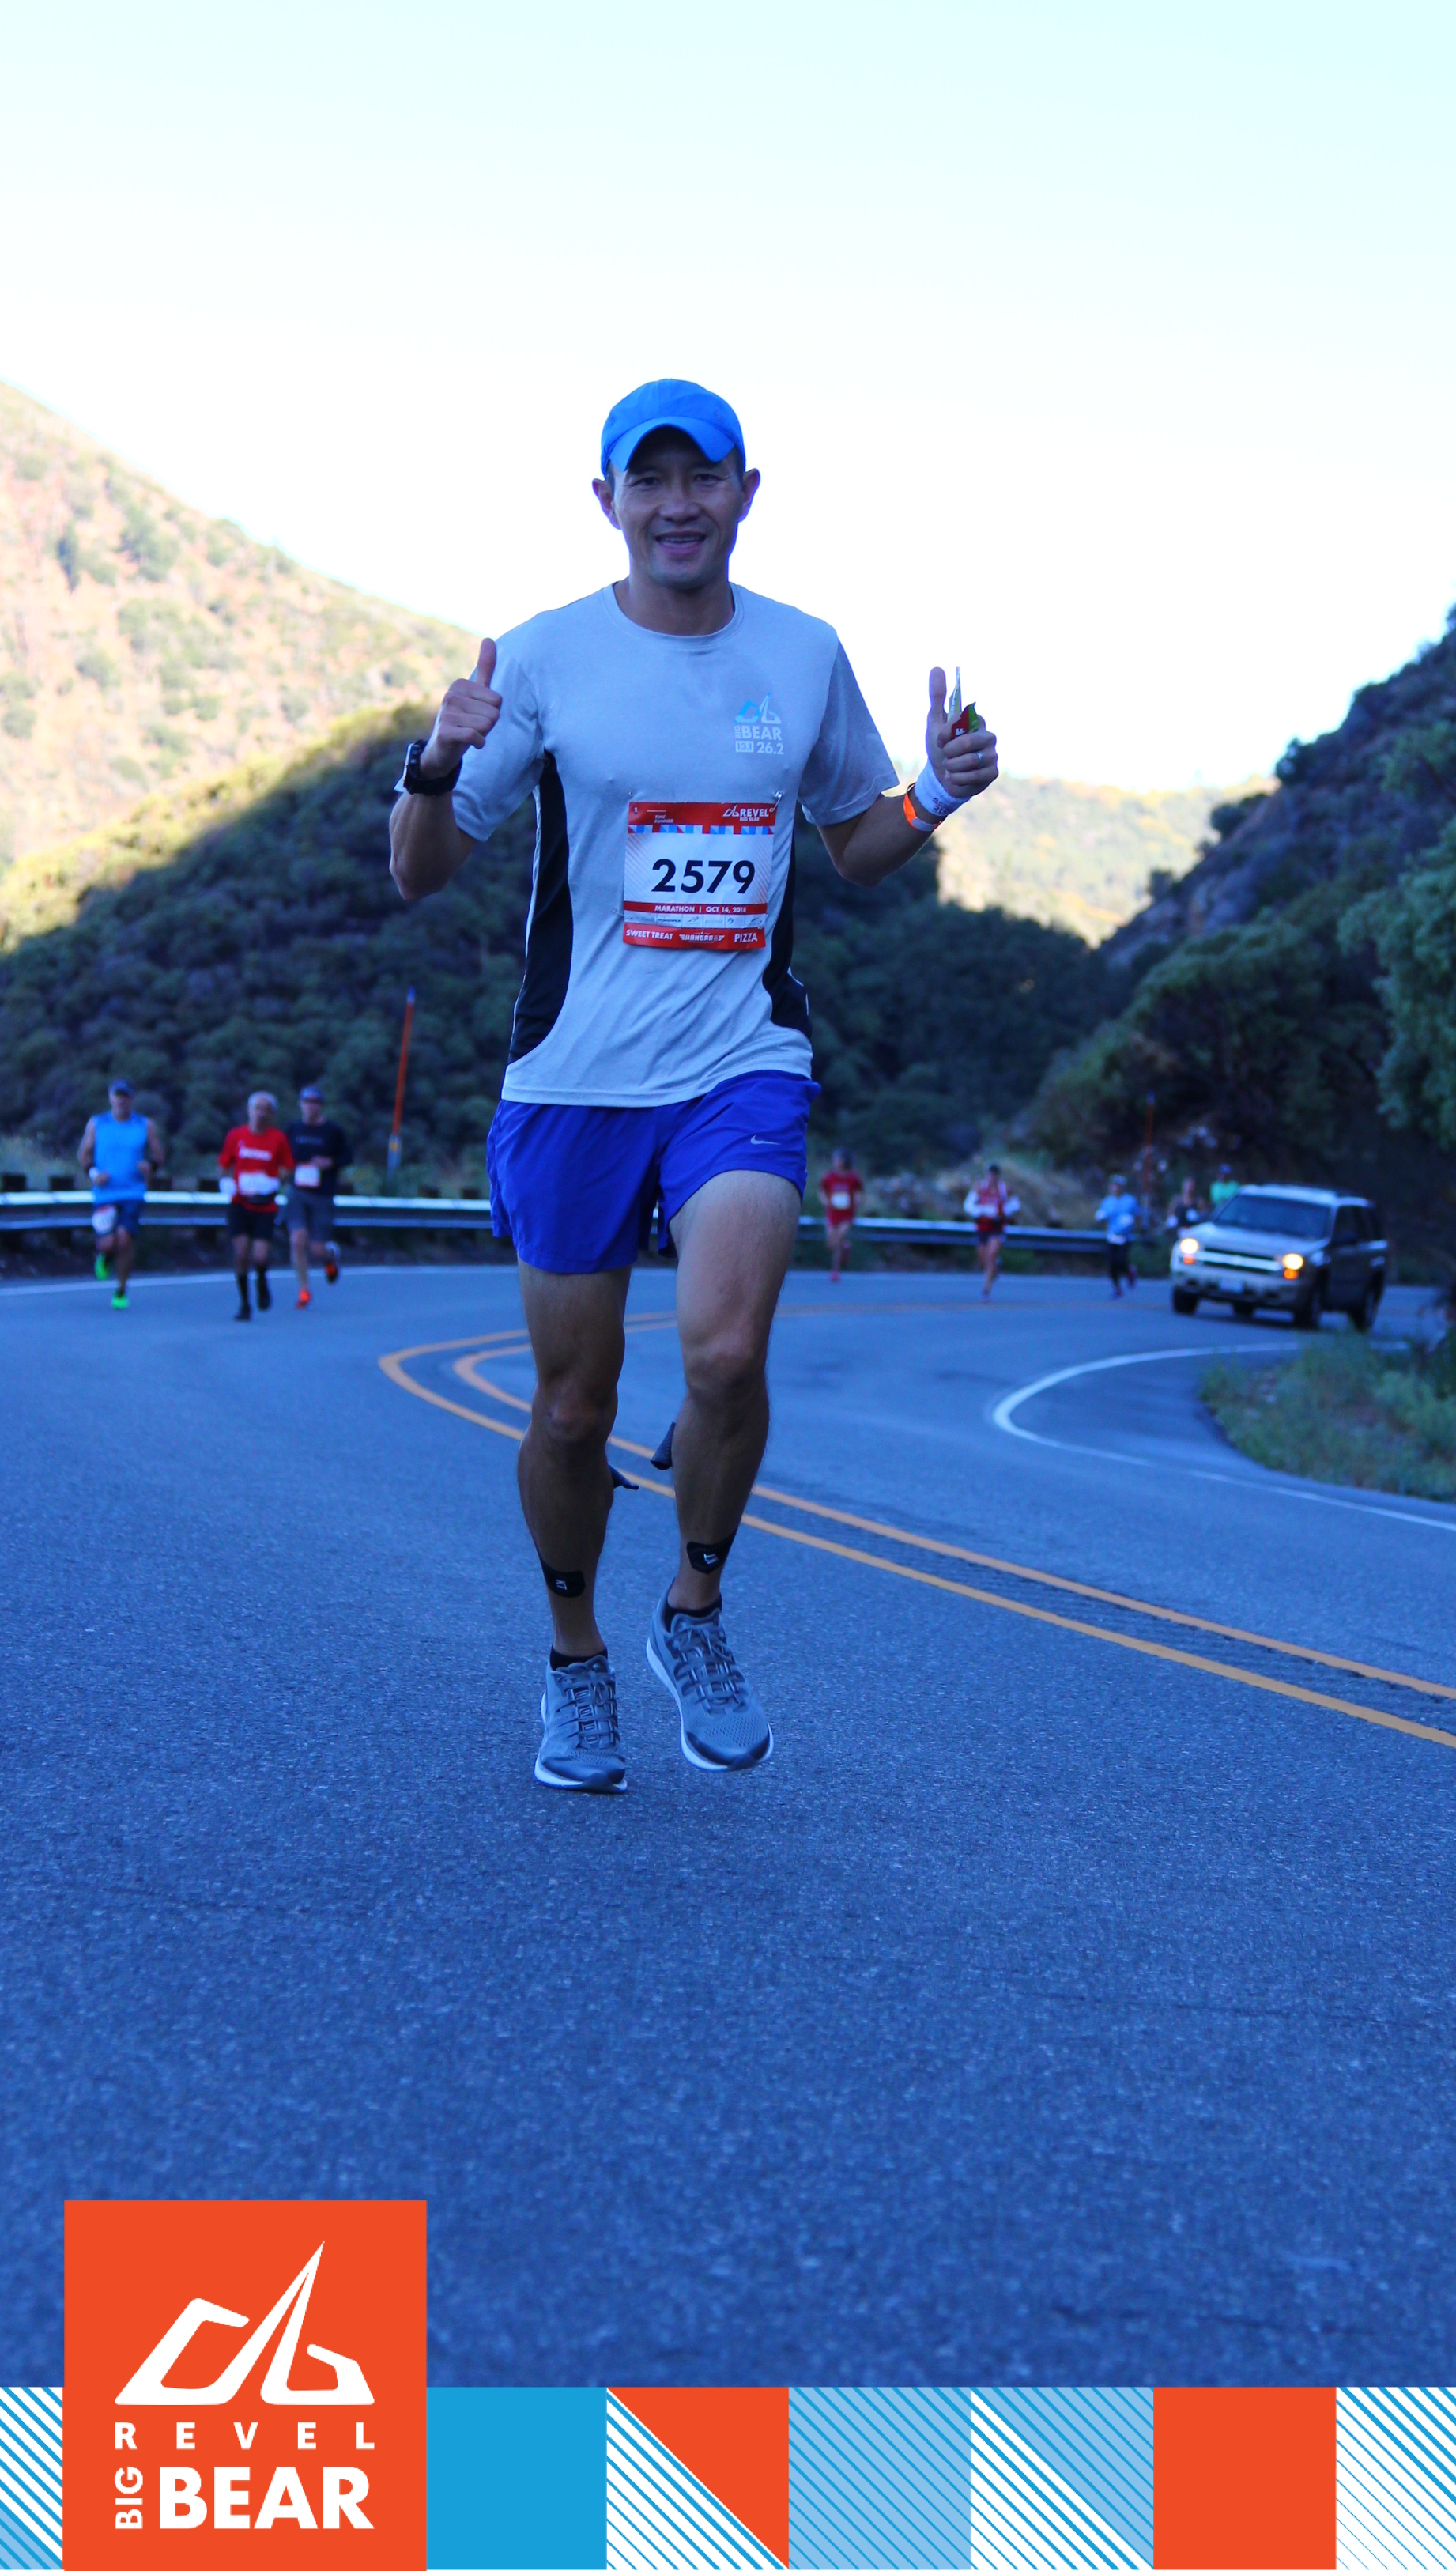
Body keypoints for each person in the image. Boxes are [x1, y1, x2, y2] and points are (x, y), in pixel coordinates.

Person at [389, 377, 998, 1793]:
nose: (677, 505)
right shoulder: (544, 657)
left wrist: (933, 793)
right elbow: (418, 872)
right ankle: (574, 1656)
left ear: (744, 492)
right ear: (606, 500)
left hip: (740, 1058)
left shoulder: (801, 653)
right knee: (571, 1410)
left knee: (723, 1354)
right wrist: (436, 758)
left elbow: (854, 841)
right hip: (574, 1075)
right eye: (648, 481)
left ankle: (695, 1606)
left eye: (702, 477)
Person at [77, 1079, 162, 1311]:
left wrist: (150, 1166)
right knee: (107, 1243)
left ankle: (121, 1291)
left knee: (125, 1240)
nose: (121, 1100)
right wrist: (94, 1173)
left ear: (132, 1099)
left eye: (125, 1096)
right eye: (117, 1095)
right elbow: (84, 1154)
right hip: (105, 1193)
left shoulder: (144, 1125)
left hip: (133, 1192)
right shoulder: (98, 1123)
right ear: (110, 1097)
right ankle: (104, 1257)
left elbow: (158, 1156)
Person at [219, 1091, 293, 1321]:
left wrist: (273, 1181)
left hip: (265, 1206)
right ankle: (244, 1304)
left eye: (266, 1110)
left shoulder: (278, 1139)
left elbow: (288, 1168)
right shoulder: (236, 1135)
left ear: (272, 1115)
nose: (261, 1113)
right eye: (257, 1108)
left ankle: (262, 1280)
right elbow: (224, 1164)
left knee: (260, 1257)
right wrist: (226, 1182)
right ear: (249, 1111)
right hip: (240, 1204)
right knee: (241, 1254)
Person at [286, 1084, 350, 1306]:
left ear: (321, 1106)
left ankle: (329, 1257)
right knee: (297, 1240)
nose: (310, 1106)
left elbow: (347, 1157)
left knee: (316, 1249)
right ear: (300, 1104)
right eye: (306, 1102)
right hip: (297, 1192)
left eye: (315, 1102)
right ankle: (304, 1290)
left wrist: (329, 1162)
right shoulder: (293, 1129)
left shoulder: (333, 1131)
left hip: (322, 1194)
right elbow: (282, 1155)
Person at [965, 1161, 1020, 1298]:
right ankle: (996, 1267)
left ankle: (987, 1287)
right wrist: (982, 1211)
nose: (992, 1178)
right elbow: (968, 1205)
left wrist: (1002, 1211)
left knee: (991, 1254)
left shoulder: (1005, 1189)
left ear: (998, 1176)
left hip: (997, 1227)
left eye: (995, 1175)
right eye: (990, 1174)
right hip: (982, 1226)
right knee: (983, 1259)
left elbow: (1015, 1205)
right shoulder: (979, 1188)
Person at [819, 1144, 866, 1282]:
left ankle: (835, 1271)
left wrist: (857, 1201)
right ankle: (845, 1246)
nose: (835, 1162)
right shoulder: (828, 1177)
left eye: (837, 1159)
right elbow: (822, 1190)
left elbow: (859, 1192)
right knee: (831, 1244)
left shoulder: (853, 1178)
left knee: (839, 1237)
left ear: (844, 1161)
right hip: (832, 1213)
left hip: (847, 1215)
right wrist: (825, 1200)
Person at [1094, 1172, 1140, 1296]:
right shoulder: (1107, 1202)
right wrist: (1101, 1220)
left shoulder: (1130, 1201)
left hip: (1125, 1238)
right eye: (1114, 1185)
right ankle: (1117, 1288)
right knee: (1112, 1264)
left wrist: (1131, 1224)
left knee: (1121, 1261)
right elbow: (1101, 1218)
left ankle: (1129, 1271)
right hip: (1112, 1237)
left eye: (1118, 1185)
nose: (1116, 1188)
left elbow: (1137, 1218)